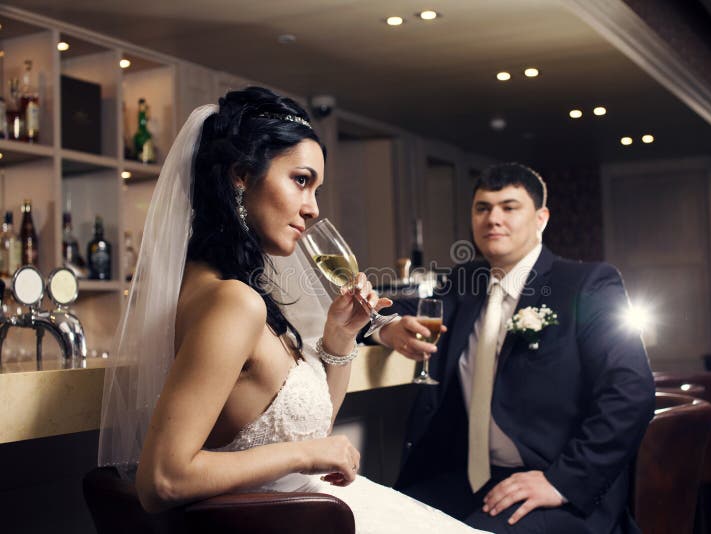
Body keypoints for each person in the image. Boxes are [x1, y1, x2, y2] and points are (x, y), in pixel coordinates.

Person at [98, 86, 490, 534]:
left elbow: (306, 429)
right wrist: (306, 454)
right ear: (241, 176)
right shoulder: (233, 302)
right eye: (301, 181)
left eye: (316, 189)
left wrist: (340, 337)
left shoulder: (211, 285)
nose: (313, 209)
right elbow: (162, 480)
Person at [375, 163, 655, 533]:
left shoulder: (587, 284)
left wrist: (562, 481)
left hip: (555, 484)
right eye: (482, 208)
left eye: (509, 207)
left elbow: (632, 391)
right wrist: (386, 328)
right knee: (382, 523)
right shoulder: (464, 282)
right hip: (467, 477)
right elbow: (387, 308)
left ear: (541, 218)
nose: (493, 218)